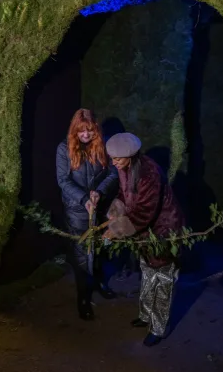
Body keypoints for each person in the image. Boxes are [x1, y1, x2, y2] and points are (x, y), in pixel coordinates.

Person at [103, 132, 184, 346]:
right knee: (147, 272)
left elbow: (145, 211)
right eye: (112, 158)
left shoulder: (149, 173)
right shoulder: (126, 168)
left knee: (163, 279)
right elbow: (123, 194)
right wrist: (115, 211)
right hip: (144, 232)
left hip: (163, 231)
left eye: (117, 159)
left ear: (131, 155)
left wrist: (117, 229)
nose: (114, 163)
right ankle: (146, 315)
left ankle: (159, 328)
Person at [56, 109, 119, 320]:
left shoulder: (103, 145)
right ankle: (83, 297)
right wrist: (84, 200)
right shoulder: (64, 149)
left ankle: (100, 283)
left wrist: (99, 192)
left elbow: (113, 173)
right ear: (75, 130)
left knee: (100, 248)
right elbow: (63, 181)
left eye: (90, 131)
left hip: (100, 206)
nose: (86, 135)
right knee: (83, 254)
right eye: (81, 131)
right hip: (77, 211)